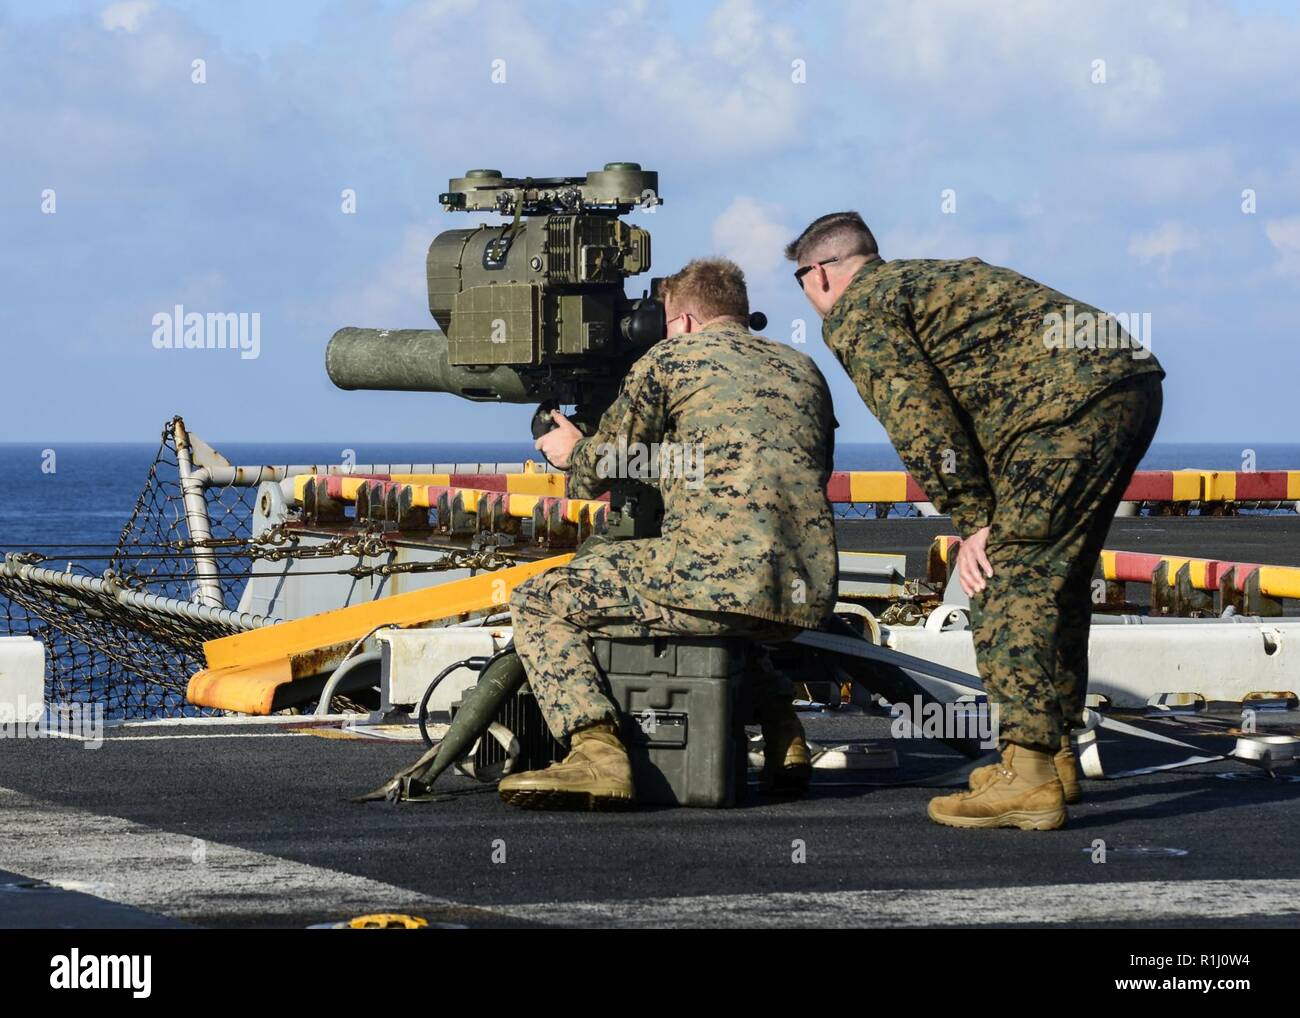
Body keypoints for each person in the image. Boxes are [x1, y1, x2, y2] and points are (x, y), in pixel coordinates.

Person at [787, 211, 1164, 830]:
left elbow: (918, 417)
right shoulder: (923, 281)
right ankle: (1054, 752)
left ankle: (1028, 774)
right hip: (1124, 385)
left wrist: (973, 518)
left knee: (1005, 578)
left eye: (801, 279)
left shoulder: (861, 310)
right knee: (1056, 579)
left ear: (822, 274)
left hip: (1061, 411)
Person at [497, 257, 839, 810]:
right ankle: (782, 733)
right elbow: (798, 469)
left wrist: (570, 450)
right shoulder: (801, 367)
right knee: (724, 607)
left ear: (679, 321)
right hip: (803, 589)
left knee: (541, 599)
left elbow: (601, 467)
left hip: (714, 579)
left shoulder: (668, 360)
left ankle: (596, 754)